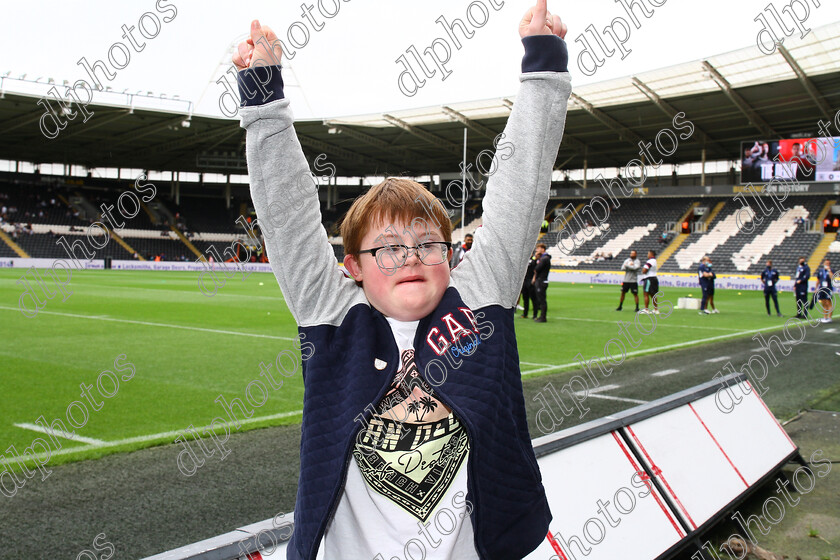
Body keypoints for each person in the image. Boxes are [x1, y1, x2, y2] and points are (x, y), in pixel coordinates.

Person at [232, 7, 571, 560]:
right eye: (388, 248)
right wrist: (263, 97)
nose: (409, 258)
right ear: (354, 267)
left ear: (451, 253)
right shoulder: (331, 311)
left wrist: (542, 70)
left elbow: (519, 186)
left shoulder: (481, 297)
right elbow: (288, 213)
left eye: (427, 243)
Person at [532, 243, 551, 323]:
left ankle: (543, 317)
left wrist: (536, 259)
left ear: (543, 249)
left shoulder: (544, 259)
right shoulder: (544, 258)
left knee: (542, 300)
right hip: (542, 280)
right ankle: (542, 316)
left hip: (541, 281)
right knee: (541, 299)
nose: (537, 250)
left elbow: (537, 268)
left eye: (538, 248)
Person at [639, 249, 659, 314]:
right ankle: (656, 309)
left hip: (649, 279)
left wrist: (643, 271)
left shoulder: (651, 261)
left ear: (651, 254)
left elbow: (645, 270)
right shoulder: (654, 261)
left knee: (646, 293)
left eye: (648, 253)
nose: (647, 255)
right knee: (653, 295)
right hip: (653, 278)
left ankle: (646, 309)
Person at [520, 250, 537, 319]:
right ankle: (525, 314)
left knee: (533, 299)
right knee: (525, 298)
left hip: (530, 281)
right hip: (524, 281)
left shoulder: (534, 260)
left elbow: (536, 270)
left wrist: (534, 278)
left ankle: (535, 315)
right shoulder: (524, 260)